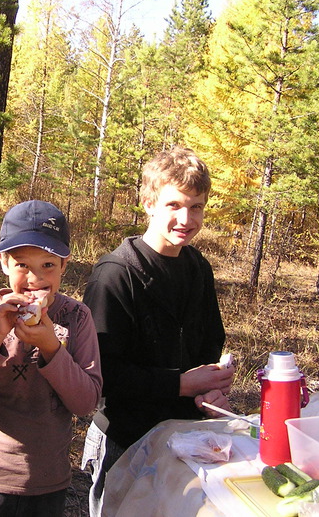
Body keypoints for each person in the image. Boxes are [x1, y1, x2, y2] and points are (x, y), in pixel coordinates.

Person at [80, 146, 235, 517]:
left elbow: (210, 340)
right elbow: (103, 375)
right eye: (174, 205)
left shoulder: (198, 268)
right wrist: (180, 384)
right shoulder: (116, 276)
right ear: (149, 203)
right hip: (125, 437)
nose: (186, 218)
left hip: (185, 433)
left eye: (196, 207)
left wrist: (211, 388)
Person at [0, 200, 103, 517]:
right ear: (3, 263)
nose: (34, 278)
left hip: (45, 479)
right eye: (22, 265)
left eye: (48, 265)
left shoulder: (76, 318)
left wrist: (52, 348)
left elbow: (85, 402)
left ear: (64, 266)